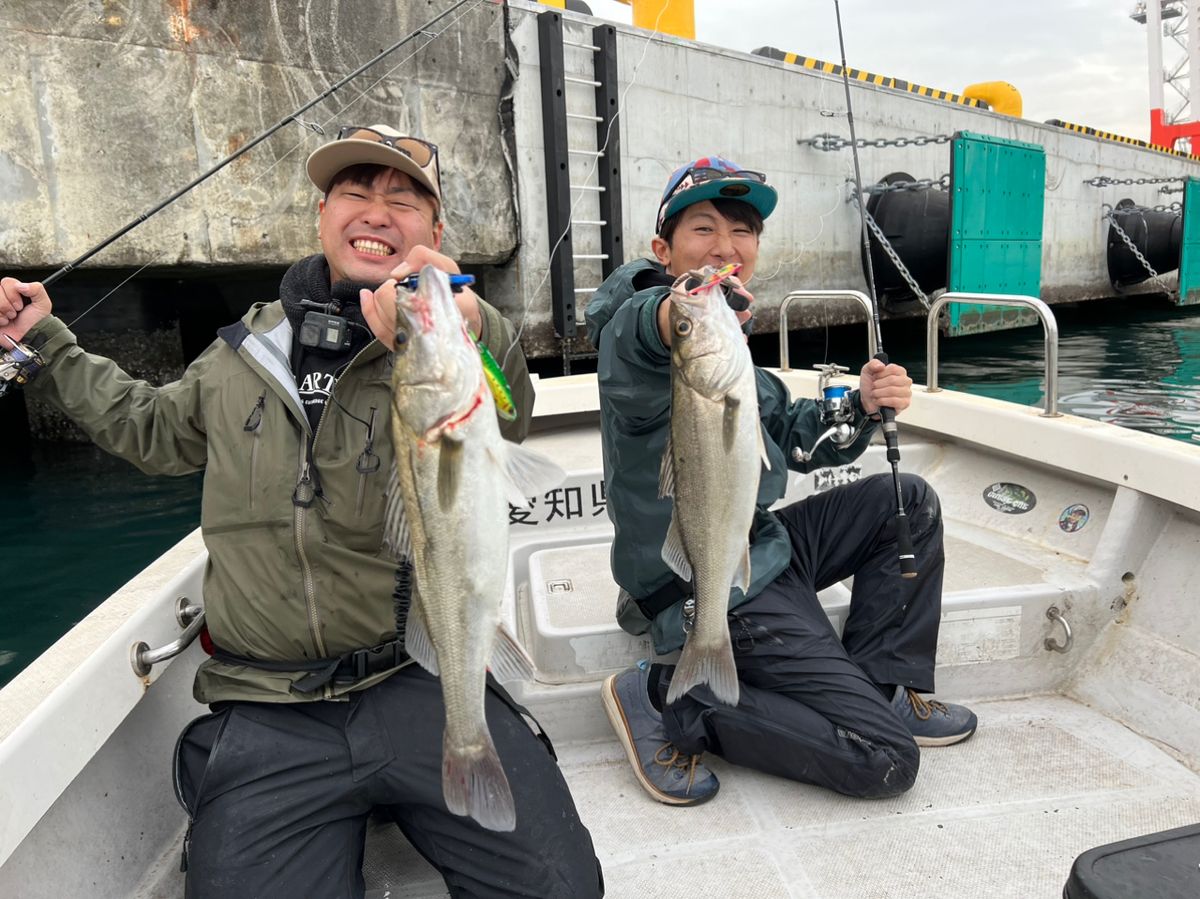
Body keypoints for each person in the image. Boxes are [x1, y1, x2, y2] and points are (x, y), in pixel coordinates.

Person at [0, 124, 602, 899]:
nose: (377, 213)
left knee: (560, 887)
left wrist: (468, 322)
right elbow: (144, 428)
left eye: (403, 199)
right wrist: (43, 339)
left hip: (411, 675)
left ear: (436, 231)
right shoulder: (235, 354)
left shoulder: (446, 336)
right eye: (355, 191)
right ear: (323, 214)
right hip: (266, 706)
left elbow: (511, 411)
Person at [586, 155, 977, 808]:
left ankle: (884, 683)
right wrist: (681, 309)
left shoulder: (728, 353)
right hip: (698, 578)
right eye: (702, 229)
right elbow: (649, 328)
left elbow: (794, 433)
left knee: (904, 500)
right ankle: (671, 698)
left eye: (742, 231)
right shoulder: (636, 333)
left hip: (758, 543)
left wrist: (863, 404)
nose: (726, 247)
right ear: (663, 248)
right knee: (885, 760)